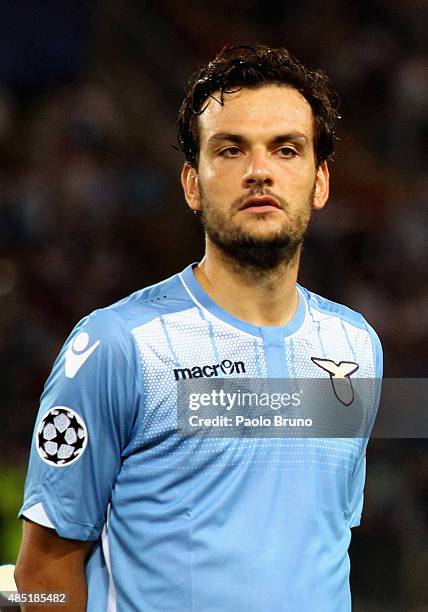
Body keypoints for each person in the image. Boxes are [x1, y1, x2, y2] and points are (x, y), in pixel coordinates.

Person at [15, 44, 382, 612]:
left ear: (320, 182)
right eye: (231, 150)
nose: (260, 170)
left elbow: (323, 539)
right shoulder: (116, 347)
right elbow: (41, 575)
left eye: (287, 149)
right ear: (192, 184)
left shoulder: (357, 347)